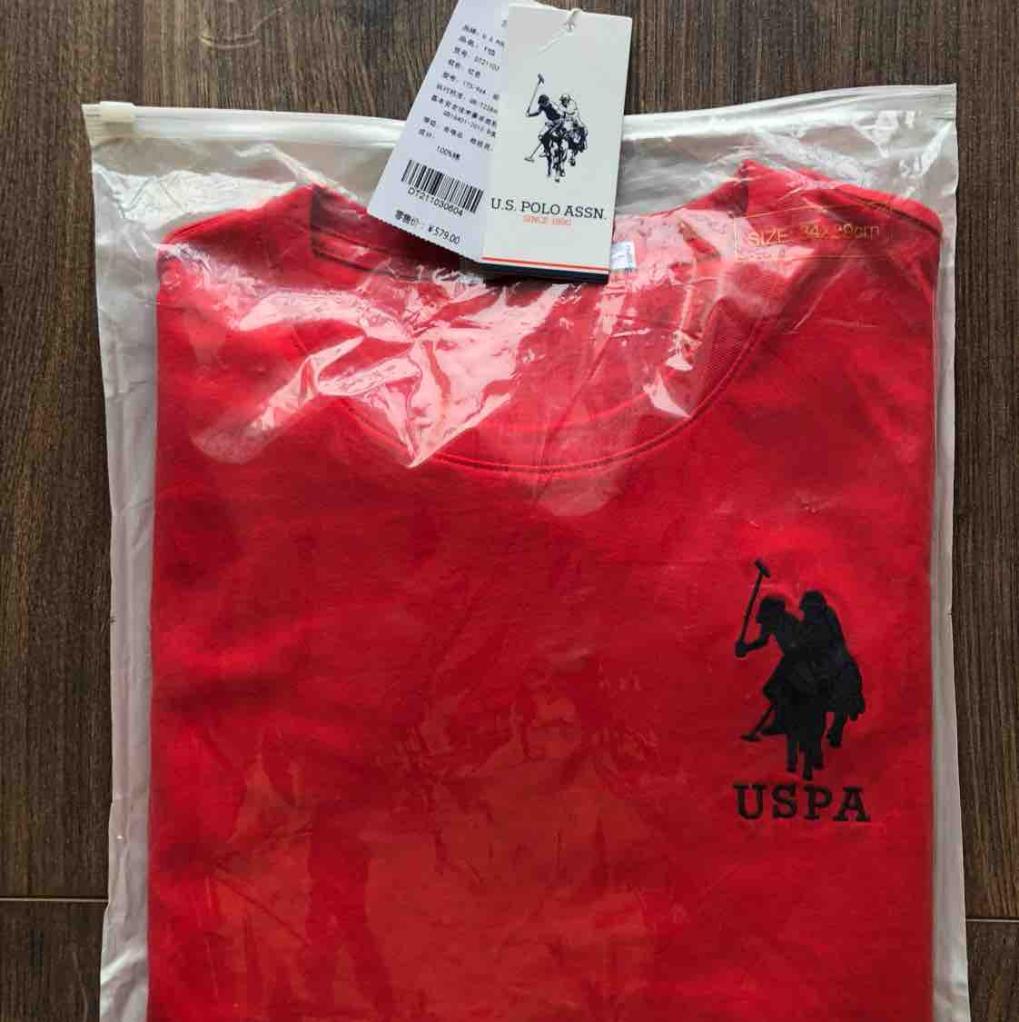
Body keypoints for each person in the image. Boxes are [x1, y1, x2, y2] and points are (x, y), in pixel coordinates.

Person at [736, 596, 827, 779]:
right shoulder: (770, 622)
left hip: (800, 661)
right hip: (789, 660)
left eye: (769, 616)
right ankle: (781, 721)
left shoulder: (790, 622)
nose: (766, 621)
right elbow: (762, 641)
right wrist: (746, 648)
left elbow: (803, 646)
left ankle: (787, 725)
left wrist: (795, 658)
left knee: (783, 690)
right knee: (771, 690)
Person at [799, 590, 865, 747]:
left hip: (836, 665)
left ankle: (836, 730)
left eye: (810, 610)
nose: (807, 614)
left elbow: (836, 645)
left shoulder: (828, 619)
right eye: (806, 611)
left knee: (842, 698)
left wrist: (827, 669)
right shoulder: (806, 624)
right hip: (818, 663)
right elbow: (803, 643)